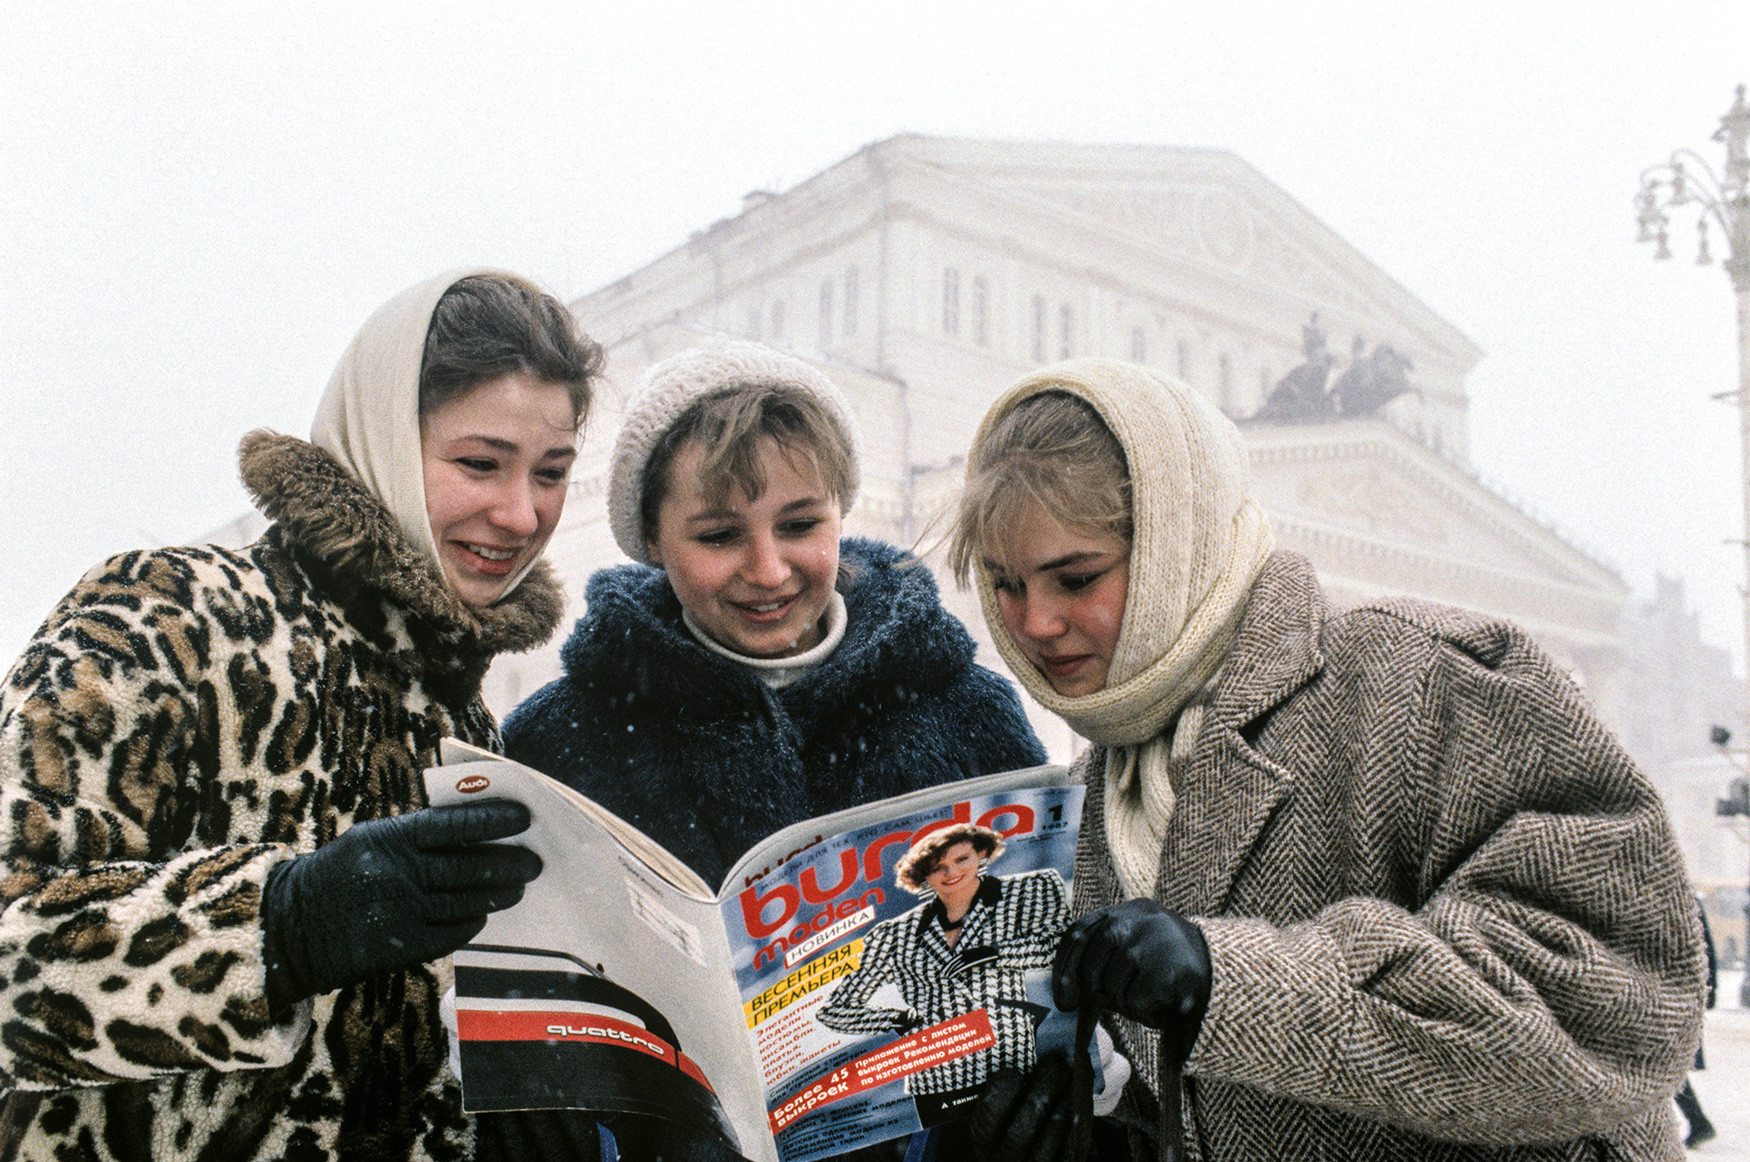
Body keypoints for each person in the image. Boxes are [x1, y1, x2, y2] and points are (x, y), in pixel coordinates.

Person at [945, 359, 1708, 1162]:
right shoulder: (1102, 791)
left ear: (1181, 540)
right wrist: (1087, 1128)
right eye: (1004, 585)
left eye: (1076, 577)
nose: (1035, 622)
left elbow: (1618, 1008)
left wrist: (1223, 983)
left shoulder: (1420, 676)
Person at [0, 269, 603, 1161]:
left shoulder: (465, 721)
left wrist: (506, 1106)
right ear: (384, 441)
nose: (521, 513)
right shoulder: (167, 612)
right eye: (480, 463)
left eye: (550, 473)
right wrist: (283, 925)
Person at [495, 340, 1046, 1161]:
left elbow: (1040, 958)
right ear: (652, 537)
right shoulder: (561, 740)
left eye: (800, 524)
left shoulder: (964, 708)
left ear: (840, 513)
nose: (769, 568)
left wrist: (1031, 1090)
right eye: (719, 535)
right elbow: (528, 995)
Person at [817, 825, 1070, 1125]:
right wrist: (895, 1019)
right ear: (923, 875)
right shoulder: (895, 936)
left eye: (961, 859)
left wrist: (994, 954)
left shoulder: (1028, 891)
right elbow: (835, 1011)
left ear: (981, 853)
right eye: (938, 868)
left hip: (1011, 1067)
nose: (951, 872)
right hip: (935, 1086)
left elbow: (1062, 948)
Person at [1674, 898, 1717, 1149]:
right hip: (1686, 993)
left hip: (1680, 993)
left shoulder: (1682, 902)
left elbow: (1705, 948)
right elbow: (1708, 948)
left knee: (1665, 1064)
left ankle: (1699, 1122)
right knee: (1669, 1065)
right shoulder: (1690, 901)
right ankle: (1699, 1122)